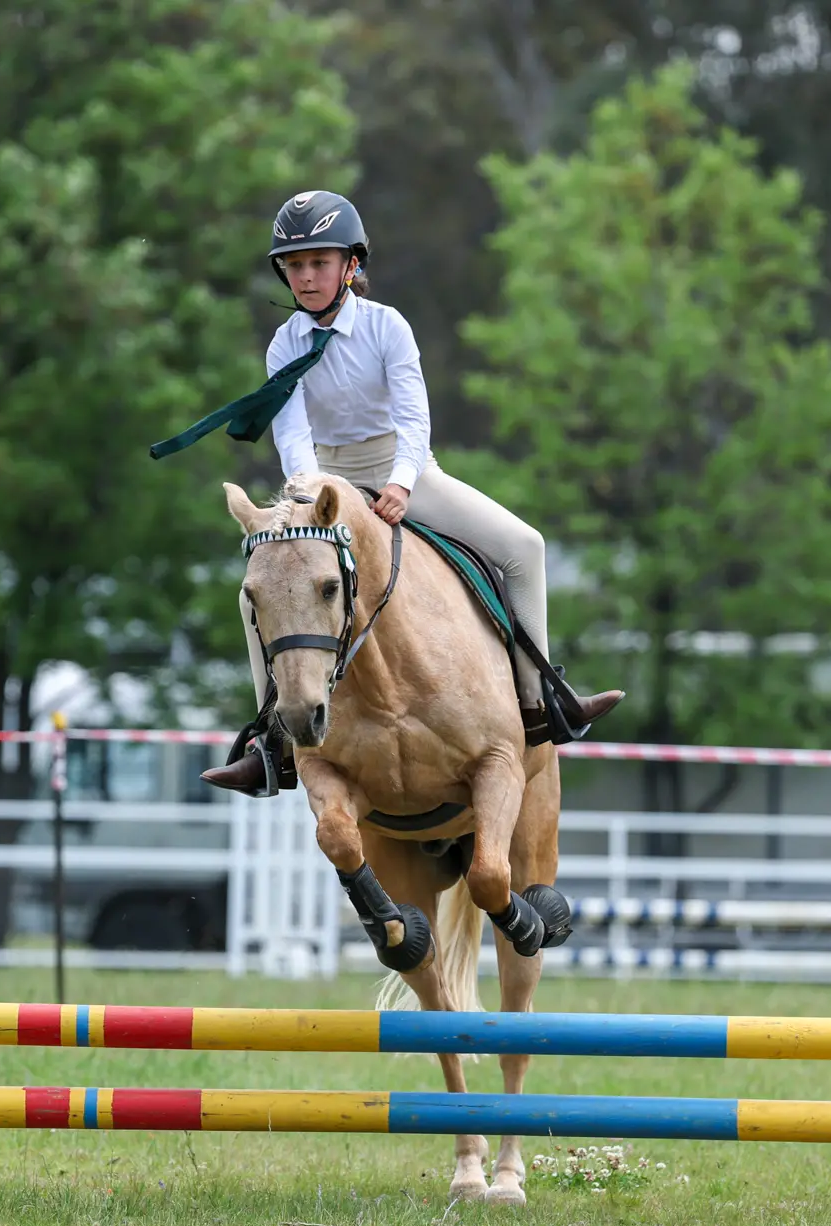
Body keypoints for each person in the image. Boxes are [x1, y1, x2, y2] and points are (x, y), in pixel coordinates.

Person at [187, 190, 622, 795]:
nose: (306, 277)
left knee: (526, 546)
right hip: (323, 482)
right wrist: (316, 493)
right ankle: (273, 742)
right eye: (295, 265)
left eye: (318, 262)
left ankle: (540, 697)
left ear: (351, 266)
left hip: (402, 469)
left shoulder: (387, 326)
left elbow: (415, 419)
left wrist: (400, 482)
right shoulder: (285, 342)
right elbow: (292, 433)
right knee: (255, 592)